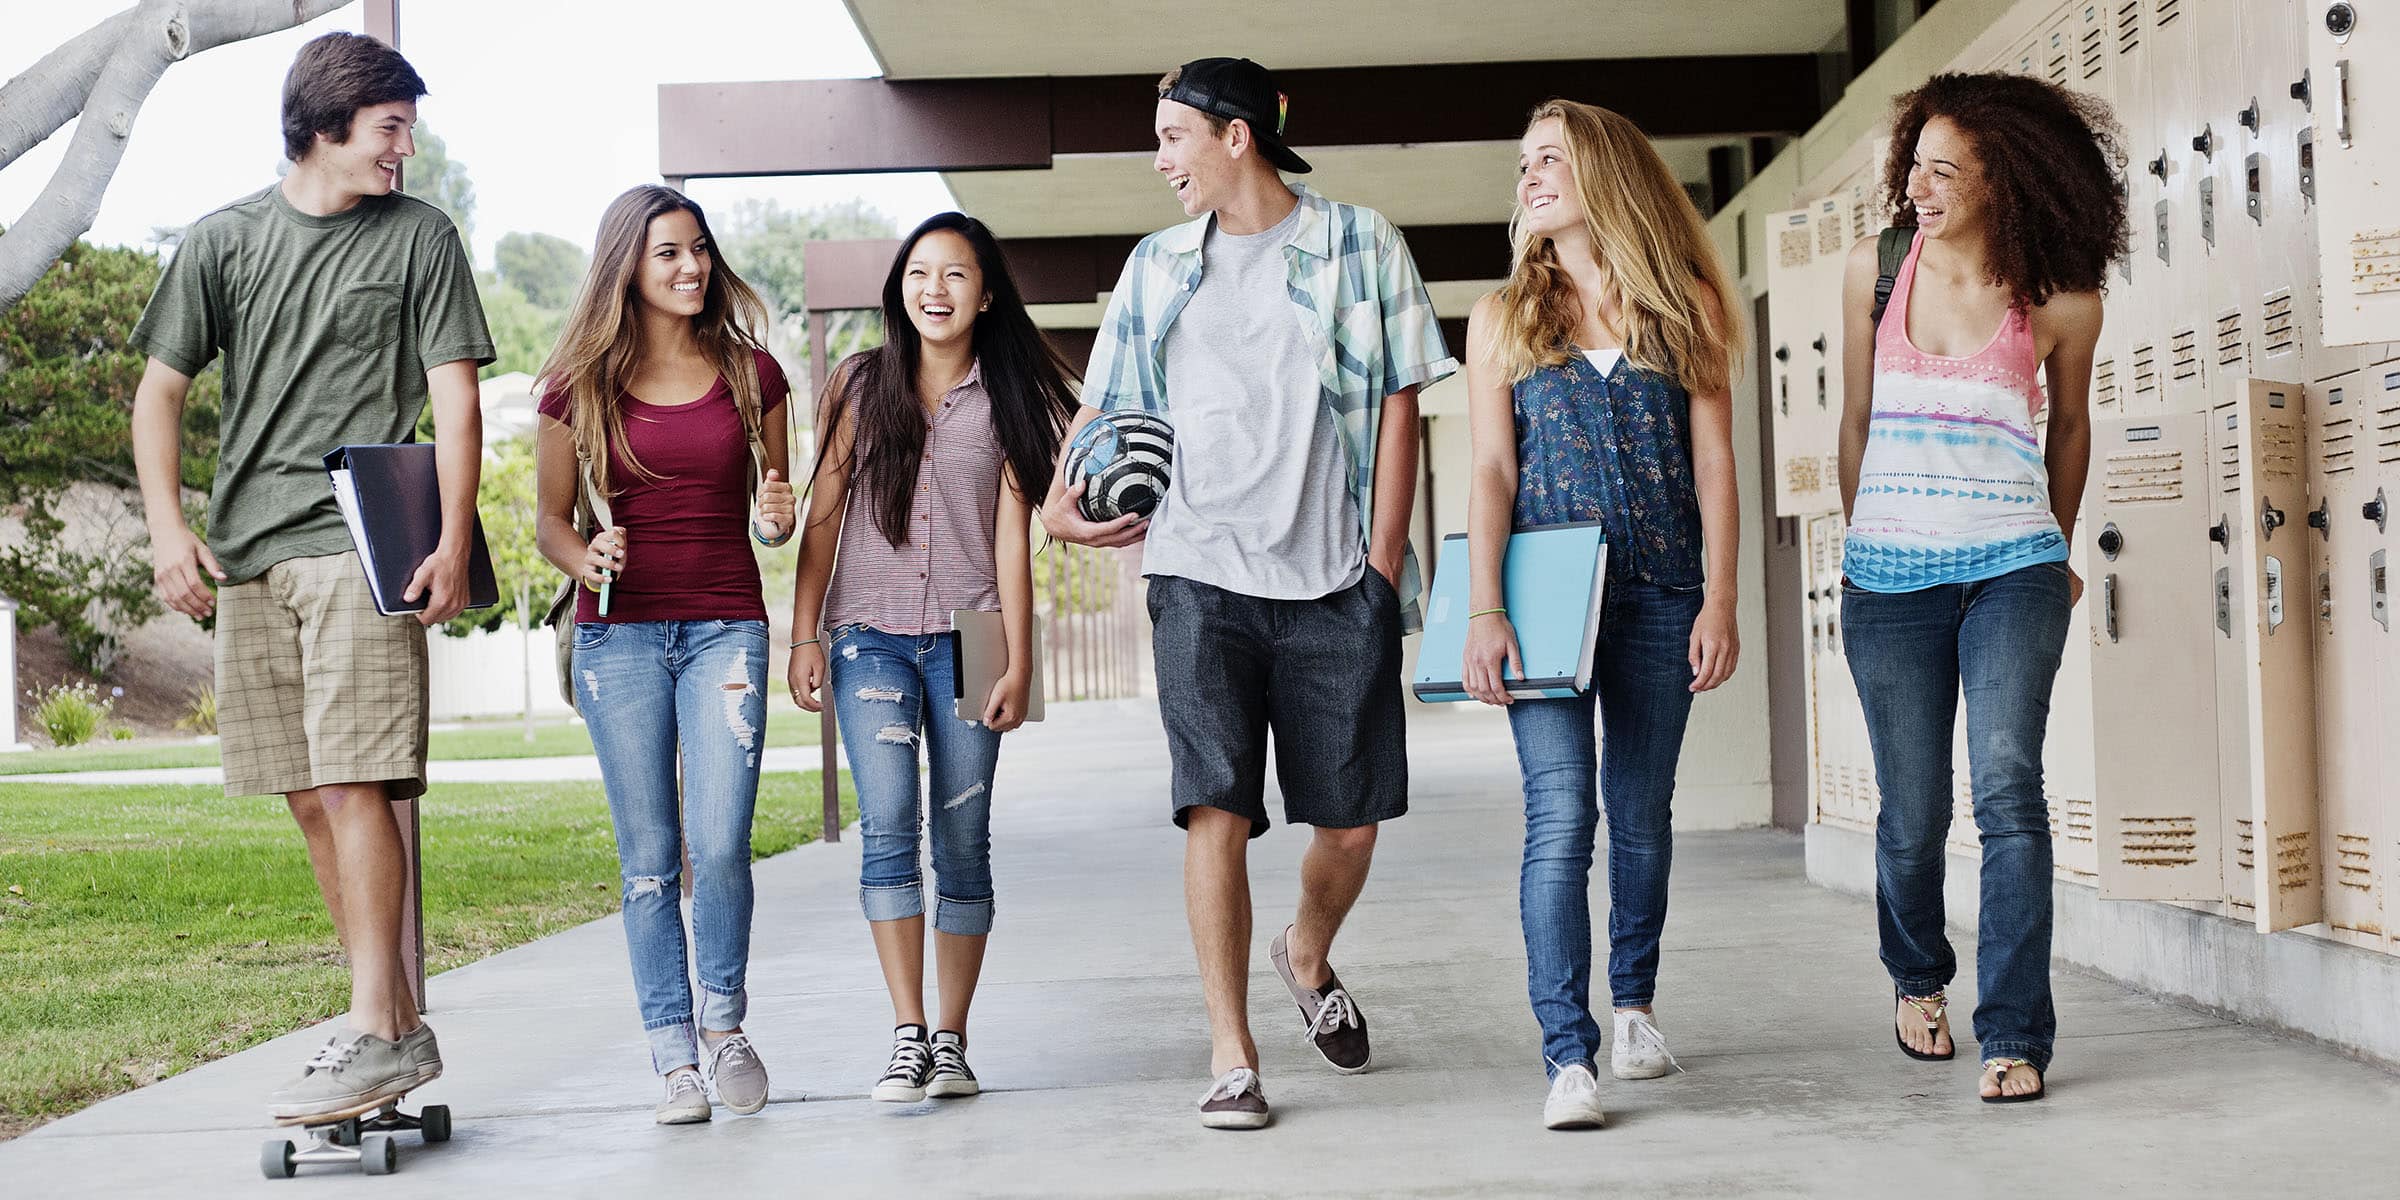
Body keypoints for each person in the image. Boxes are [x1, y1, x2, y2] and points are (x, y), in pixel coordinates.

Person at [1041, 57, 1456, 1130]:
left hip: (1331, 576)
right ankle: (1233, 1053)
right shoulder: (1156, 266)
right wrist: (1055, 505)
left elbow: (1402, 404)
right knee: (1213, 807)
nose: (1159, 156)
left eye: (1174, 135)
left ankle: (1305, 950)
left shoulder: (1360, 243)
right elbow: (1105, 406)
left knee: (1351, 825)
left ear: (1236, 137)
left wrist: (1380, 564)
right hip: (1197, 572)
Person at [129, 32, 494, 1124]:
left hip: (359, 543)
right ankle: (386, 1021)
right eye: (390, 127)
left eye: (407, 129)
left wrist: (453, 533)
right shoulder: (223, 243)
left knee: (356, 779)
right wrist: (167, 529)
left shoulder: (420, 238)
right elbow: (160, 393)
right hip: (250, 550)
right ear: (325, 124)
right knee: (303, 790)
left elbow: (459, 399)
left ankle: (377, 1031)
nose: (405, 148)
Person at [1836, 72, 2123, 1104]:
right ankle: (1919, 976)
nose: (1919, 184)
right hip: (1890, 579)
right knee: (1912, 815)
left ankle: (2015, 1032)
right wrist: (1869, 530)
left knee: (2008, 790)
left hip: (2012, 567)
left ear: (2005, 177)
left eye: (1944, 169)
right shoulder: (1874, 273)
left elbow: (2073, 427)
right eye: (1915, 162)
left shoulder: (2061, 298)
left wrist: (2057, 545)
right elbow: (1857, 422)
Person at [1458, 100, 1744, 1131]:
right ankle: (1565, 1054)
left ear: (1604, 175)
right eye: (1523, 161)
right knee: (1561, 817)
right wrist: (1484, 604)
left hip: (1665, 593)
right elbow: (1492, 468)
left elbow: (1715, 466)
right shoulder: (1502, 318)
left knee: (1643, 815)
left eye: (1549, 159)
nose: (1530, 176)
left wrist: (1721, 595)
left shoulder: (1688, 310)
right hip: (1542, 602)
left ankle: (1633, 1008)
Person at [786, 212, 1074, 1103]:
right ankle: (906, 1032)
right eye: (919, 272)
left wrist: (1019, 663)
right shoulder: (857, 384)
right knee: (887, 828)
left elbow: (1011, 542)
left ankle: (952, 1040)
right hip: (867, 632)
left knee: (963, 840)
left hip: (975, 635)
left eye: (956, 275)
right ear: (899, 289)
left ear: (985, 295)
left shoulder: (1009, 398)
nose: (935, 290)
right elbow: (824, 515)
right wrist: (803, 631)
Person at [532, 185, 796, 1124]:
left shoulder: (755, 375)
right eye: (667, 256)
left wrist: (779, 519)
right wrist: (586, 553)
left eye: (699, 251)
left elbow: (774, 508)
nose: (691, 269)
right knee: (649, 856)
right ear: (627, 273)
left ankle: (724, 1024)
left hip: (727, 625)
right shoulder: (577, 385)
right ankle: (672, 1054)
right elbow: (550, 527)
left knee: (719, 843)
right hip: (621, 637)